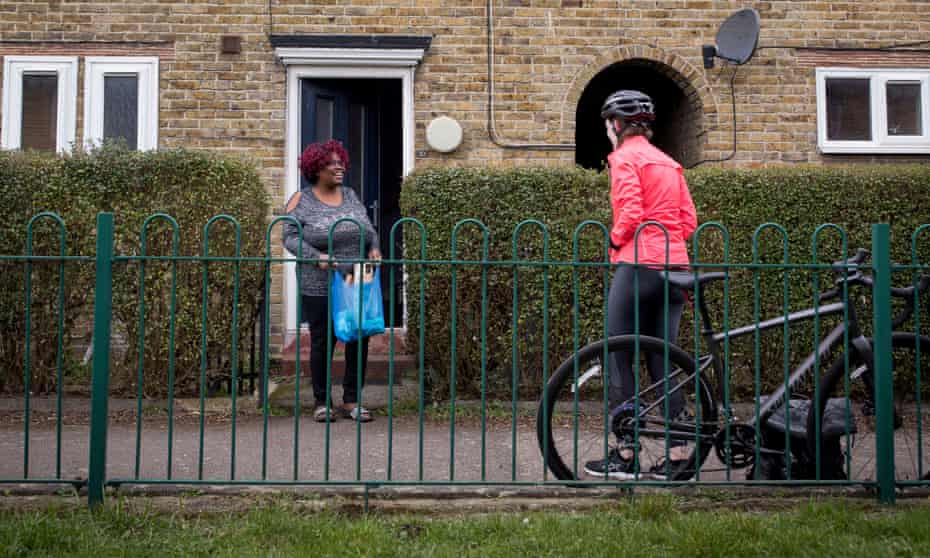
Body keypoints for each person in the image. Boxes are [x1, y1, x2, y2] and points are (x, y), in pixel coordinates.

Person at [583, 90, 698, 480]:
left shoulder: (623, 159)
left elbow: (630, 212)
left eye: (607, 125)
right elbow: (688, 221)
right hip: (676, 265)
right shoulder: (670, 163)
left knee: (618, 354)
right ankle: (681, 453)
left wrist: (615, 240)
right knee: (664, 359)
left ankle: (625, 454)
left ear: (617, 125)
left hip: (638, 265)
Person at [282, 139, 381, 423]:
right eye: (332, 163)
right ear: (316, 168)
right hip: (319, 280)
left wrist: (374, 247)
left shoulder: (350, 194)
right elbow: (288, 236)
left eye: (341, 162)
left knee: (358, 338)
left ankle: (352, 400)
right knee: (323, 341)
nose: (339, 167)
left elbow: (367, 227)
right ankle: (322, 401)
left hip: (355, 277)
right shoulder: (301, 199)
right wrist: (316, 256)